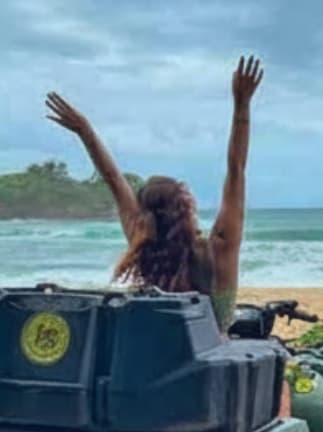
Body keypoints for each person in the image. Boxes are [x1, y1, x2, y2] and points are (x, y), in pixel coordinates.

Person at [44, 55, 264, 332]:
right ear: (187, 207)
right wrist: (242, 105)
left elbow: (113, 179)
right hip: (207, 356)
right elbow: (236, 171)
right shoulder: (216, 250)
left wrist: (85, 131)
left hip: (152, 351)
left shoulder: (143, 244)